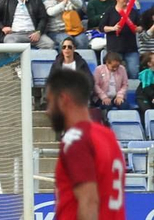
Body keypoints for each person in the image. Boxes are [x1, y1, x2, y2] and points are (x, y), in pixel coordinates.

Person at [46, 66, 126, 220]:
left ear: (63, 99)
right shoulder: (107, 136)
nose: (47, 111)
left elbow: (89, 201)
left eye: (49, 102)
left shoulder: (75, 139)